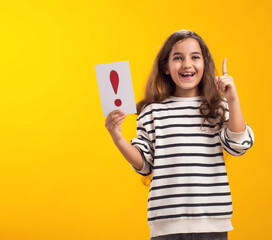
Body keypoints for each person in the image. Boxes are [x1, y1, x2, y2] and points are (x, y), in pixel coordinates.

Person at [105, 30, 254, 240]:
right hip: (166, 223)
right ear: (166, 67)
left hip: (212, 221)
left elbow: (239, 145)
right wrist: (117, 136)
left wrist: (233, 99)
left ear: (205, 64)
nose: (187, 64)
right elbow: (144, 164)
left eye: (195, 57)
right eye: (178, 58)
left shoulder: (218, 107)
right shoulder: (152, 111)